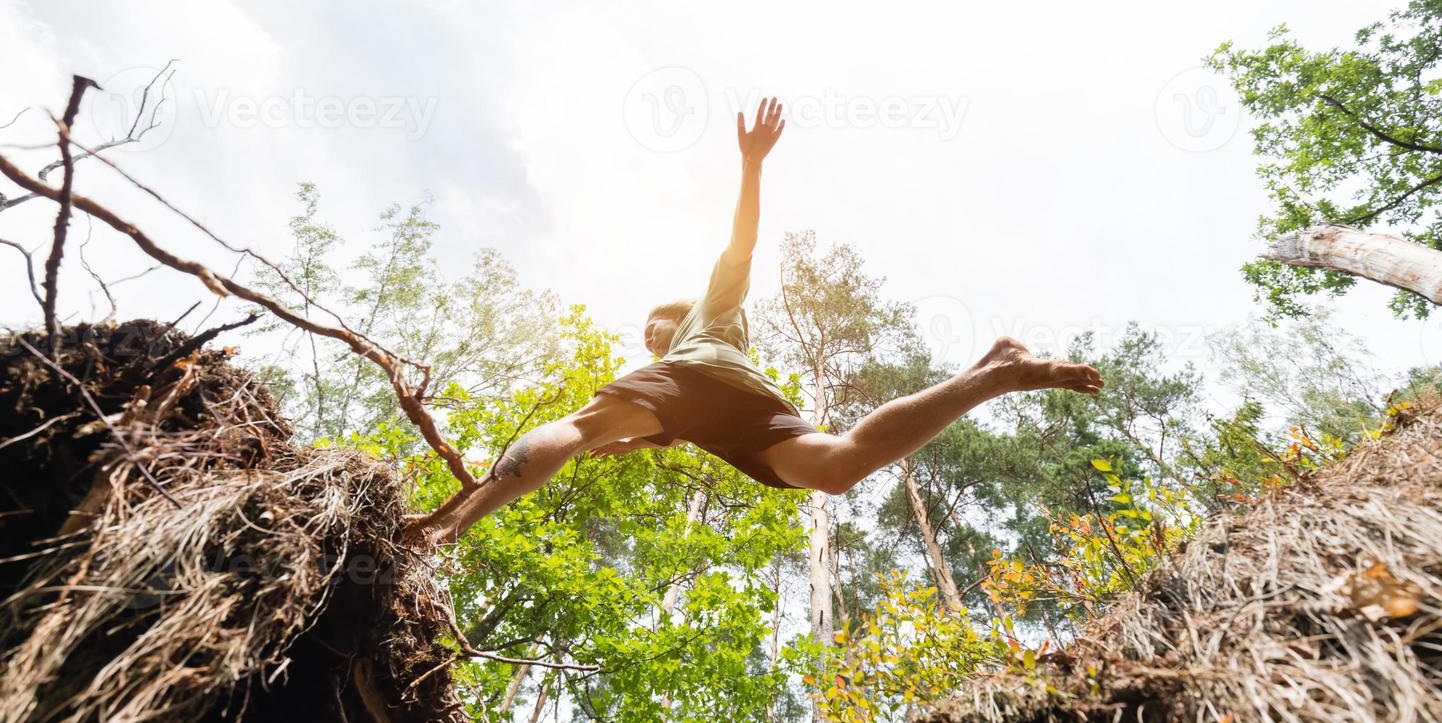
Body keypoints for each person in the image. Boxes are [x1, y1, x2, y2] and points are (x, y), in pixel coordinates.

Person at [424, 97, 1103, 542]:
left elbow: (739, 245)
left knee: (573, 428)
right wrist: (639, 441)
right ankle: (990, 375)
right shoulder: (723, 353)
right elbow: (686, 423)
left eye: (652, 330)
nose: (648, 339)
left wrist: (749, 166)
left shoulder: (707, 314)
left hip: (701, 391)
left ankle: (450, 526)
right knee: (838, 467)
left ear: (677, 323)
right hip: (748, 417)